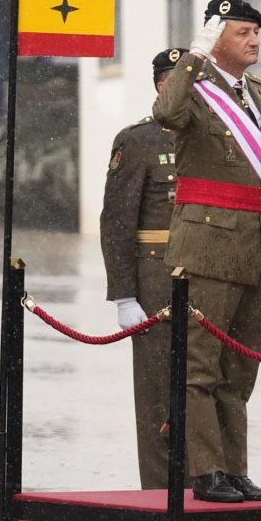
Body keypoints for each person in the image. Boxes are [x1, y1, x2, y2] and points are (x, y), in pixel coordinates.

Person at [153, 0, 261, 503]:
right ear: (217, 39)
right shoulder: (194, 87)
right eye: (241, 32)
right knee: (200, 365)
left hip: (256, 242)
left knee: (240, 367)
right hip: (209, 243)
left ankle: (234, 470)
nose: (254, 40)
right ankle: (206, 472)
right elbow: (165, 112)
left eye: (257, 32)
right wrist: (193, 55)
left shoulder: (257, 91)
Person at [100, 48, 184, 489]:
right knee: (157, 391)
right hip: (156, 283)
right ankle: (158, 489)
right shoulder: (139, 140)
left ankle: (207, 483)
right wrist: (124, 294)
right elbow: (116, 219)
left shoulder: (212, 137)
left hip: (208, 279)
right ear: (162, 85)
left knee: (205, 386)